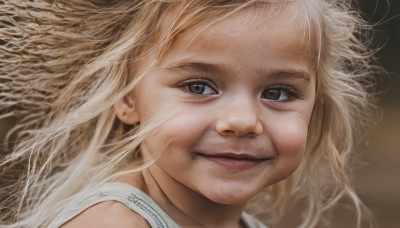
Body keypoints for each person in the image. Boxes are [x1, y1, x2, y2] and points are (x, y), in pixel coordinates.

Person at [0, 0, 380, 227]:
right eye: (199, 87)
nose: (243, 121)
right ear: (127, 98)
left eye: (278, 92)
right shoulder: (112, 222)